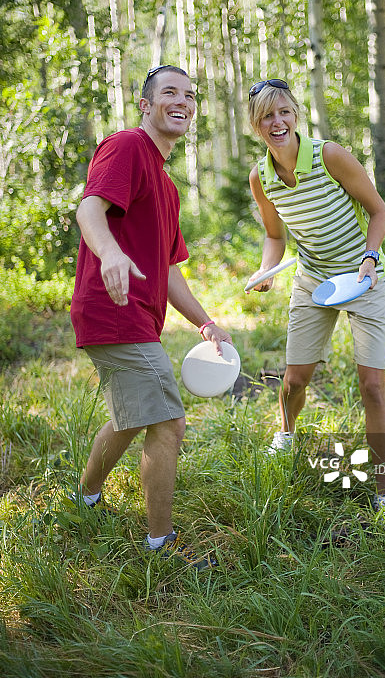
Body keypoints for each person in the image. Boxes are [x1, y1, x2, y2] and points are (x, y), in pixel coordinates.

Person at [70, 65, 231, 569]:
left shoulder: (166, 185)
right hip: (113, 310)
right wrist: (112, 255)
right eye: (169, 93)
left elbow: (167, 270)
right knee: (168, 422)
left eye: (190, 95)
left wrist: (204, 322)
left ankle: (85, 500)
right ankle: (162, 545)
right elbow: (89, 212)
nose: (181, 101)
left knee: (130, 415)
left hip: (136, 316)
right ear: (146, 104)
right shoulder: (126, 147)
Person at [245, 79, 385, 521]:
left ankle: (383, 491)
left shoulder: (329, 155)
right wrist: (266, 270)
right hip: (313, 281)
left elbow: (379, 210)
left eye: (283, 112)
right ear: (257, 125)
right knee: (294, 381)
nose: (277, 123)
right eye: (266, 117)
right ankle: (287, 436)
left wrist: (370, 258)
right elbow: (275, 237)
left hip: (363, 278)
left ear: (295, 114)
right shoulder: (262, 177)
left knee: (372, 385)